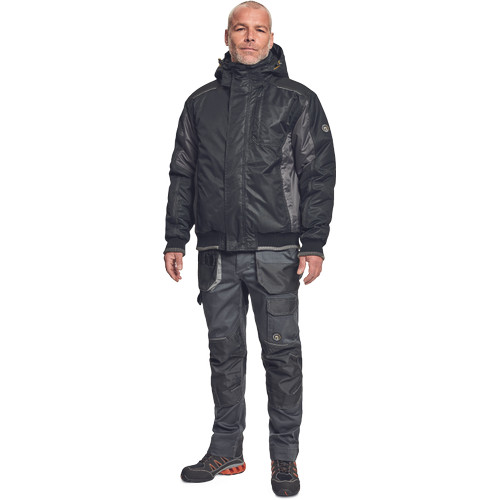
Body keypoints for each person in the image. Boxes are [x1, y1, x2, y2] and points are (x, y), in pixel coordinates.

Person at [163, 2, 335, 496]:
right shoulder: (200, 103)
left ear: (271, 37)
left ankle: (284, 457)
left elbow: (318, 173)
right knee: (224, 353)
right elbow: (182, 174)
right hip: (216, 252)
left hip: (276, 252)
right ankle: (227, 449)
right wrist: (176, 237)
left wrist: (314, 242)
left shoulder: (297, 100)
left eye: (259, 29)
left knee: (281, 356)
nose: (250, 37)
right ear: (227, 36)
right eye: (241, 28)